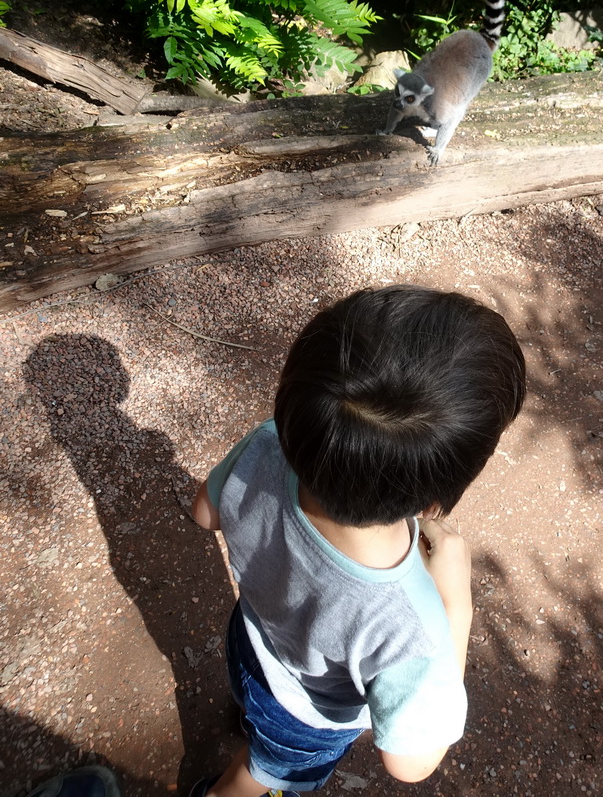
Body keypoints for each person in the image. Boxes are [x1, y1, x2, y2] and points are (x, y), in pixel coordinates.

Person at [191, 285, 526, 797]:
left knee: (253, 708)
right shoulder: (410, 618)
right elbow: (410, 764)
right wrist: (455, 604)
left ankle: (248, 715)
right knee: (269, 768)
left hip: (250, 641)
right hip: (310, 714)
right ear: (434, 500)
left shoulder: (267, 445)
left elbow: (205, 513)